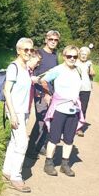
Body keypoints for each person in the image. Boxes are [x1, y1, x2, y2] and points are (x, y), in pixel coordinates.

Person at [37, 45, 86, 177]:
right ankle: (48, 164)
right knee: (54, 138)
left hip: (73, 110)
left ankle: (65, 164)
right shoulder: (57, 70)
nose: (72, 59)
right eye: (69, 56)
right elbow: (43, 80)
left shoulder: (79, 70)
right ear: (64, 56)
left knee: (69, 139)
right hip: (59, 109)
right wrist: (49, 93)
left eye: (74, 56)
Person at [2, 38, 34, 193]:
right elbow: (6, 91)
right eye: (25, 50)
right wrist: (12, 115)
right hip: (15, 111)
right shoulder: (13, 67)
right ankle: (16, 176)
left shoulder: (26, 67)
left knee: (15, 142)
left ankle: (7, 170)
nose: (29, 52)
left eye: (31, 50)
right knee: (22, 143)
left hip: (24, 111)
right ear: (18, 50)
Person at [26, 30, 60, 159]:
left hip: (50, 93)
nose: (53, 41)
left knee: (48, 119)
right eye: (51, 39)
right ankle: (30, 150)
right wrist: (45, 92)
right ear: (46, 39)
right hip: (40, 92)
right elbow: (31, 73)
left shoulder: (55, 56)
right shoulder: (39, 53)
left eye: (55, 40)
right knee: (41, 120)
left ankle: (40, 146)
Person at [76, 46, 96, 137]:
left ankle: (79, 128)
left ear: (88, 56)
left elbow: (93, 73)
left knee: (83, 108)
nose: (83, 56)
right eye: (82, 54)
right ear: (79, 54)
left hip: (86, 89)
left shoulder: (89, 63)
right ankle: (70, 126)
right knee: (73, 107)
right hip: (75, 88)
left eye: (85, 54)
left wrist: (92, 71)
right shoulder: (75, 61)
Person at [26, 50, 42, 136]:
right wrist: (31, 80)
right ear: (31, 58)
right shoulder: (24, 70)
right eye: (37, 61)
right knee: (20, 140)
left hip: (26, 107)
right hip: (19, 109)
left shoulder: (31, 71)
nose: (38, 64)